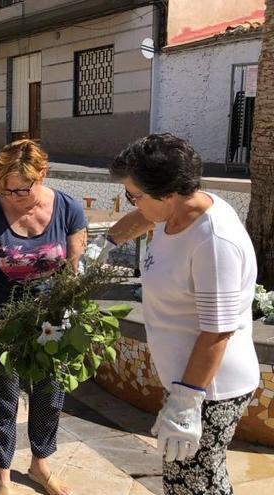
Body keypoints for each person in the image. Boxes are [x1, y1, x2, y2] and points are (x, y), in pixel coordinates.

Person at [96, 133, 259, 495]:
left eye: (134, 194)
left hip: (210, 388)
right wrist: (104, 244)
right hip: (185, 381)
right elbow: (145, 217)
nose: (132, 203)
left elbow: (218, 332)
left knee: (196, 487)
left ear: (167, 192)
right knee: (187, 480)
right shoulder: (178, 211)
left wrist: (187, 402)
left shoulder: (213, 241)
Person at [0, 139, 86, 495]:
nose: (14, 196)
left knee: (50, 390)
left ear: (42, 176)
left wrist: (74, 309)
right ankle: (2, 470)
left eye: (22, 188)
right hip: (4, 313)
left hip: (51, 315)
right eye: (6, 188)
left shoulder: (68, 208)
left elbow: (74, 268)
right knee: (4, 391)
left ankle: (40, 464)